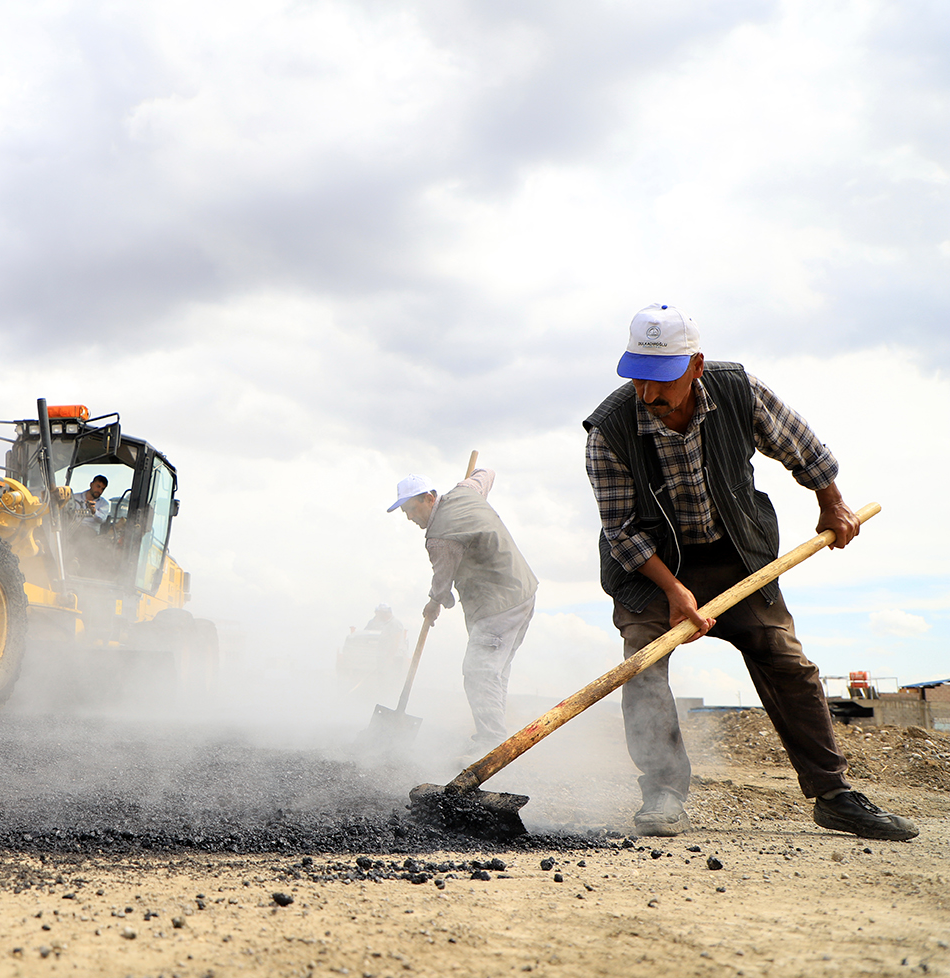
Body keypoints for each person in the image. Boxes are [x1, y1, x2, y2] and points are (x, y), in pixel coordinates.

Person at [584, 302, 917, 841]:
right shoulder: (609, 431)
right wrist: (673, 591)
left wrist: (831, 502)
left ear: (694, 365)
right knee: (644, 663)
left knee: (786, 658)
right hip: (651, 568)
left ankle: (833, 794)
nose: (649, 395)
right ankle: (664, 791)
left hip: (736, 553)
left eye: (662, 380)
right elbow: (621, 531)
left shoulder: (739, 391)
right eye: (639, 378)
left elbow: (801, 445)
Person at [389, 468, 538, 758]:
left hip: (497, 605)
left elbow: (442, 583)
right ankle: (495, 740)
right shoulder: (465, 492)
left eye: (410, 508)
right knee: (494, 672)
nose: (408, 516)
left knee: (478, 671)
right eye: (404, 511)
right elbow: (487, 473)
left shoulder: (440, 537)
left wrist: (434, 603)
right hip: (524, 593)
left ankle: (491, 745)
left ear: (429, 498)